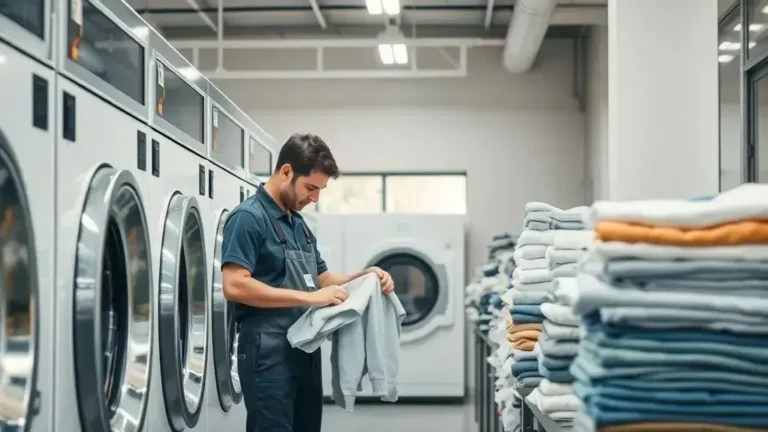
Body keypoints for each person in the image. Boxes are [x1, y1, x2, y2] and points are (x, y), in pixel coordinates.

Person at [220, 133, 395, 432]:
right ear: (286, 172)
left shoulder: (298, 224)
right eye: (311, 187)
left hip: (304, 349)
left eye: (320, 190)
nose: (315, 198)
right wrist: (310, 298)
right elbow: (235, 285)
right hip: (267, 351)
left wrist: (367, 275)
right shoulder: (248, 218)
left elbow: (323, 279)